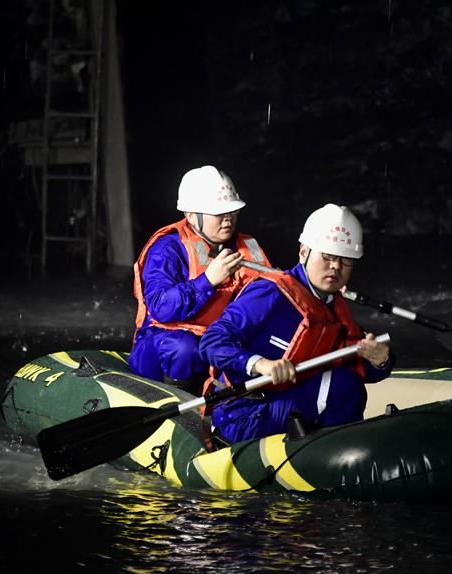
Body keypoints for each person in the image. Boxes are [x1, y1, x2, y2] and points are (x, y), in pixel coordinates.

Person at [199, 204, 393, 445]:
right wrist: (261, 364)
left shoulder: (333, 306)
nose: (336, 266)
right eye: (327, 256)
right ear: (303, 253)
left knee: (347, 383)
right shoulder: (269, 293)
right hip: (241, 413)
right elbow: (212, 341)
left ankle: (333, 451)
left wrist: (380, 361)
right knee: (342, 387)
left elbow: (361, 369)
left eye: (346, 260)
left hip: (283, 400)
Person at [130, 166, 272, 391]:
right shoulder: (167, 249)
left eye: (232, 211)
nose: (228, 219)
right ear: (191, 216)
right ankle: (179, 400)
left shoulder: (246, 246)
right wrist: (207, 281)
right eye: (218, 213)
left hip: (220, 338)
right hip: (164, 341)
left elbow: (271, 293)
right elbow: (159, 306)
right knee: (185, 349)